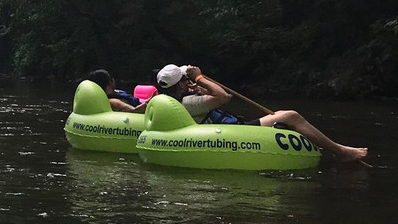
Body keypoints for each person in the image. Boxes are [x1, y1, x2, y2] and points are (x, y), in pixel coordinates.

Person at [155, 64, 367, 163]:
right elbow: (224, 97)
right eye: (186, 79)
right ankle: (341, 151)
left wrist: (200, 89)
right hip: (235, 133)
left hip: (231, 128)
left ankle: (331, 149)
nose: (189, 81)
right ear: (180, 84)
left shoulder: (181, 101)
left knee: (283, 117)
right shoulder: (189, 102)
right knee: (290, 116)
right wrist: (200, 77)